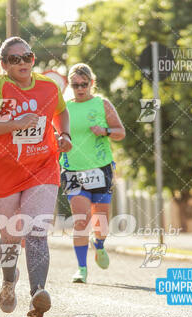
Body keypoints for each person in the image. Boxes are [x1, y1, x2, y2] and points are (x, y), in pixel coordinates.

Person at [0, 36, 71, 317]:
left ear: (33, 59)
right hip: (4, 173)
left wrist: (65, 135)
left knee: (37, 231)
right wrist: (14, 124)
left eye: (27, 57)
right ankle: (9, 281)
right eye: (15, 59)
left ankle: (38, 293)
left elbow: (62, 111)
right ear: (4, 64)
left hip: (43, 166)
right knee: (11, 236)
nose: (23, 63)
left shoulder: (48, 87)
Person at [60, 63, 126, 284]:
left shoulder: (102, 104)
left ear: (92, 83)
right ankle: (81, 268)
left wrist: (105, 131)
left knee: (101, 220)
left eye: (84, 84)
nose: (80, 88)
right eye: (75, 84)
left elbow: (120, 132)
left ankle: (99, 244)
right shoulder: (64, 108)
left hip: (100, 168)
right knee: (81, 219)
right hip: (72, 169)